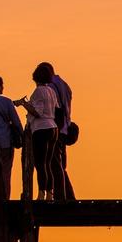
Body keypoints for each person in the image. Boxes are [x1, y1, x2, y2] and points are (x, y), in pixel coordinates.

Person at [14, 64, 59, 201]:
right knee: (48, 162)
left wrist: (24, 104)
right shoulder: (51, 91)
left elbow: (37, 112)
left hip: (41, 129)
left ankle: (41, 193)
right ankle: (50, 194)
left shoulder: (38, 91)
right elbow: (55, 108)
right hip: (53, 127)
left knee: (40, 163)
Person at [40, 61, 75, 201]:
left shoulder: (50, 87)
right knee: (60, 164)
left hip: (54, 129)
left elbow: (51, 108)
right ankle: (67, 196)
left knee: (54, 163)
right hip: (65, 128)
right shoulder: (65, 85)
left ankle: (63, 197)